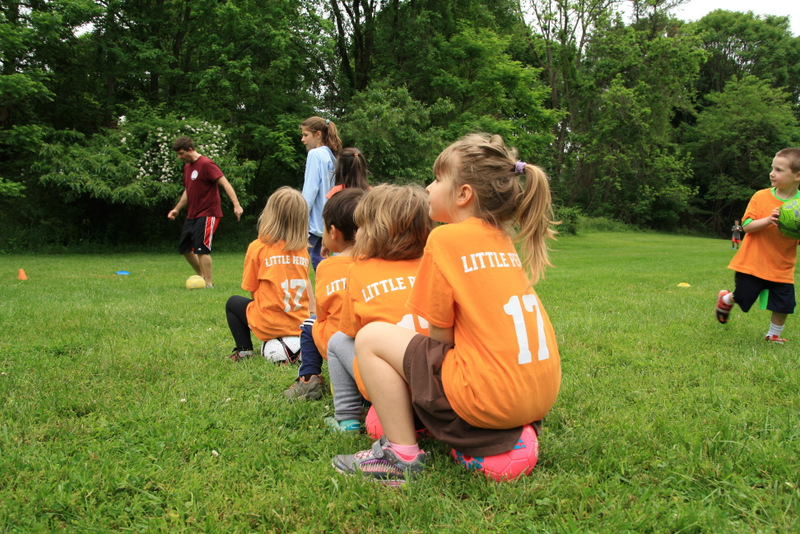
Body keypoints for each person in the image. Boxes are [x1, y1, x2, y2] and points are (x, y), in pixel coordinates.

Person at [332, 133, 562, 486]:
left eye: (438, 179)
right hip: (538, 396)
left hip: (487, 396)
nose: (428, 186)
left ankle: (400, 457)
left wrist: (406, 375)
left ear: (463, 194)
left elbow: (439, 338)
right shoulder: (501, 239)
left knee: (372, 337)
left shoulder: (444, 239)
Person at [325, 184, 434, 433]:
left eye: (361, 226)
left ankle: (347, 417)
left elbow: (351, 332)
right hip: (437, 385)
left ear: (374, 232)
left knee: (337, 341)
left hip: (387, 386)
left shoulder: (360, 270)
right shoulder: (433, 268)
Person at [284, 188, 365, 400]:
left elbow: (322, 315)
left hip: (342, 348)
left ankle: (309, 379)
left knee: (309, 324)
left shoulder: (326, 268)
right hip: (376, 350)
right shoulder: (379, 261)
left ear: (333, 231)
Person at [715, 148, 800, 344]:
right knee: (745, 298)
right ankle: (727, 299)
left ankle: (773, 334)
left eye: (779, 170)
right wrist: (769, 220)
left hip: (782, 264)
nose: (772, 173)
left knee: (784, 303)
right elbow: (747, 226)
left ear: (797, 176)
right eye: (772, 168)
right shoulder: (761, 197)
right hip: (754, 262)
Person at [225, 187, 311, 361]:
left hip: (269, 324)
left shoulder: (257, 248)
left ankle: (244, 351)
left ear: (269, 214)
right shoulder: (302, 251)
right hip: (299, 325)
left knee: (233, 303)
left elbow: (252, 290)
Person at [167, 136, 243, 288]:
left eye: (181, 153)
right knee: (185, 248)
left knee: (202, 248)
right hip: (192, 213)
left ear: (190, 149)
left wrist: (237, 205)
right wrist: (177, 209)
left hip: (208, 212)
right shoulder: (187, 167)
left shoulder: (206, 164)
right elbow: (188, 191)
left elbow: (225, 183)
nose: (179, 157)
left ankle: (208, 284)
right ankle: (200, 275)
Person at [300, 116, 342, 270]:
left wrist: (300, 216)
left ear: (318, 134)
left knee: (296, 262)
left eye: (305, 135)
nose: (302, 139)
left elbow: (310, 190)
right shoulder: (333, 157)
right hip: (328, 220)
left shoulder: (315, 154)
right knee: (319, 260)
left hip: (312, 222)